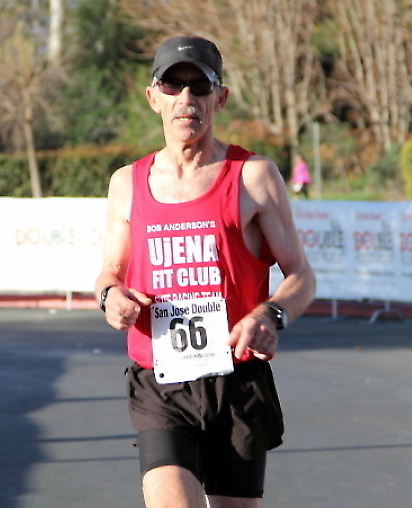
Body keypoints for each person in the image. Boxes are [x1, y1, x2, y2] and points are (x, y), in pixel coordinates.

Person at [95, 35, 316, 508]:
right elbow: (110, 273)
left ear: (221, 97)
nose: (186, 98)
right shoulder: (126, 183)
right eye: (172, 85)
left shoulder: (253, 176)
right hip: (161, 381)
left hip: (237, 379)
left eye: (200, 86)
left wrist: (271, 314)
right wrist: (110, 298)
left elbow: (301, 274)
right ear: (153, 97)